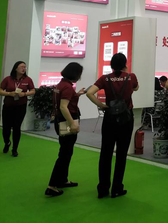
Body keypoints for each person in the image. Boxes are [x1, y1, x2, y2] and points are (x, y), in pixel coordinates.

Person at [87, 53, 139, 199]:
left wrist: (102, 105)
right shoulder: (131, 77)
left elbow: (90, 93)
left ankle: (103, 189)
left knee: (105, 153)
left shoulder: (105, 78)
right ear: (125, 64)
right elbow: (136, 88)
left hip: (109, 118)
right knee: (121, 154)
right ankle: (117, 188)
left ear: (111, 64)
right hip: (126, 119)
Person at [46, 63, 85, 197]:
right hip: (66, 121)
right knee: (64, 154)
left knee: (66, 152)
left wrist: (77, 95)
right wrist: (72, 124)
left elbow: (63, 103)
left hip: (60, 120)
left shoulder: (61, 85)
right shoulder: (67, 87)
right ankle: (52, 185)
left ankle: (62, 180)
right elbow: (64, 107)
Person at [0, 61, 35, 157]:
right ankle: (7, 142)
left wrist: (24, 94)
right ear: (16, 68)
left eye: (25, 67)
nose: (24, 68)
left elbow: (33, 91)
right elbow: (0, 90)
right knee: (6, 128)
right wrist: (9, 93)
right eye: (22, 67)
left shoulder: (28, 79)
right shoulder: (8, 79)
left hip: (20, 107)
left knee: (17, 127)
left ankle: (15, 149)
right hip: (8, 106)